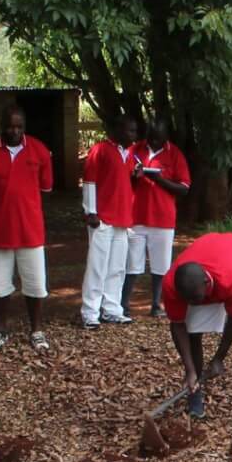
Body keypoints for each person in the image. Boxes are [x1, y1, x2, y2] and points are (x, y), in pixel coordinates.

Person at [160, 231, 232, 432]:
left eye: (196, 300)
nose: (195, 305)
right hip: (211, 272)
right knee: (192, 330)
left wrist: (219, 358)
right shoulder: (172, 285)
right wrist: (190, 370)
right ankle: (195, 398)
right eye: (189, 301)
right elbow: (178, 325)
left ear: (206, 283)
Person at [0, 105, 53, 353]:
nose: (14, 131)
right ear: (1, 126)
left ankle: (37, 330)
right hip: (0, 230)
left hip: (31, 230)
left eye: (19, 127)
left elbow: (46, 186)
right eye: (10, 126)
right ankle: (0, 331)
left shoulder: (39, 150)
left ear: (24, 127)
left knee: (36, 284)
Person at [80, 115, 141, 329]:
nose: (134, 136)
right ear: (118, 130)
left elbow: (127, 181)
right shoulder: (100, 150)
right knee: (97, 266)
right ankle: (90, 312)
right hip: (103, 218)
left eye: (135, 131)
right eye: (130, 131)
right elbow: (89, 181)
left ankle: (112, 308)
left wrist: (136, 175)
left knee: (116, 267)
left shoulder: (128, 154)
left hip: (122, 219)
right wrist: (91, 212)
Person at [126, 121, 191, 318]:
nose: (153, 140)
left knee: (160, 265)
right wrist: (135, 176)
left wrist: (159, 180)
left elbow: (184, 187)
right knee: (131, 263)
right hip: (136, 216)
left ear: (166, 136)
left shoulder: (175, 154)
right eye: (150, 136)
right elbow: (123, 178)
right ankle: (123, 304)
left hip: (163, 219)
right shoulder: (135, 150)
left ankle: (156, 305)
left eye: (158, 137)